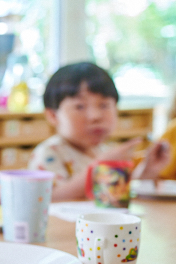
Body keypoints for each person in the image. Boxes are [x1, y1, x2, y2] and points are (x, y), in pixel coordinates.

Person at [27, 62, 170, 201]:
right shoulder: (49, 153)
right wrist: (99, 167)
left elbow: (116, 191)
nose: (95, 116)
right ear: (53, 115)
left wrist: (148, 169)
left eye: (104, 105)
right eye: (80, 107)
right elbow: (49, 197)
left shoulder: (103, 150)